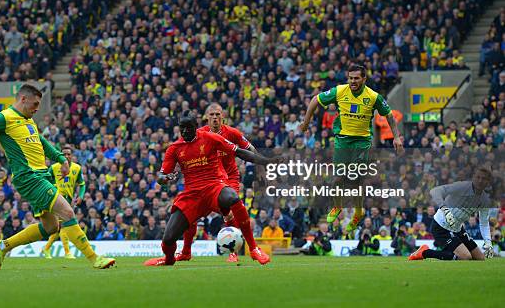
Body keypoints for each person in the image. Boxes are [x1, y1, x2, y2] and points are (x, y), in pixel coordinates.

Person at [0, 84, 115, 269]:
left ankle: (2, 246)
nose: (37, 108)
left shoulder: (29, 120)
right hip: (29, 177)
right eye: (35, 104)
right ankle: (94, 258)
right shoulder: (2, 118)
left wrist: (61, 158)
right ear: (23, 99)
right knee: (67, 212)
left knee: (51, 227)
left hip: (42, 176)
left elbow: (42, 142)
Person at [144, 110, 280, 266]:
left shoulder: (211, 138)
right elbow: (161, 178)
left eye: (189, 127)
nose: (185, 131)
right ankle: (170, 259)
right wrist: (165, 178)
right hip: (192, 195)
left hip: (214, 187)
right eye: (182, 128)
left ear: (196, 127)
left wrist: (266, 161)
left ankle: (254, 249)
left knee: (233, 198)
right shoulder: (174, 148)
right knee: (168, 239)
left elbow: (241, 152)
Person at [300, 64, 403, 235]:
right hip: (342, 141)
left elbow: (389, 116)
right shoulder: (340, 91)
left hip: (362, 142)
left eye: (356, 78)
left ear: (364, 79)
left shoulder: (373, 96)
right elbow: (315, 100)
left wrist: (397, 137)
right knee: (337, 180)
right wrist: (306, 122)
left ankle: (358, 212)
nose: (353, 81)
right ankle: (338, 207)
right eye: (350, 78)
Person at [176, 103, 256, 263]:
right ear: (206, 117)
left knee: (233, 206)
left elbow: (251, 149)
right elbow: (181, 149)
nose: (215, 117)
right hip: (209, 179)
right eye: (211, 115)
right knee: (190, 213)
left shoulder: (233, 133)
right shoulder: (198, 134)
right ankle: (186, 251)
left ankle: (234, 252)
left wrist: (247, 162)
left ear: (223, 117)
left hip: (229, 177)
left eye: (218, 114)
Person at [409, 167, 496, 261]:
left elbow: (483, 223)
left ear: (488, 182)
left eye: (483, 179)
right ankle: (424, 252)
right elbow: (435, 191)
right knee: (465, 257)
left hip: (458, 229)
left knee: (480, 258)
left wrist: (488, 243)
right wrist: (445, 209)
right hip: (441, 227)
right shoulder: (461, 187)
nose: (480, 181)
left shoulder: (484, 200)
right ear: (473, 177)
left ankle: (451, 254)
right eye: (478, 177)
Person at [42, 145, 86, 259]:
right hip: (56, 198)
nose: (66, 156)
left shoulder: (77, 168)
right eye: (64, 154)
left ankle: (46, 249)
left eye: (68, 154)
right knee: (64, 224)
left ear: (72, 156)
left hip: (69, 199)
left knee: (59, 226)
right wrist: (53, 187)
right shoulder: (54, 167)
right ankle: (67, 252)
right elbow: (45, 180)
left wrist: (80, 196)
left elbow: (82, 184)